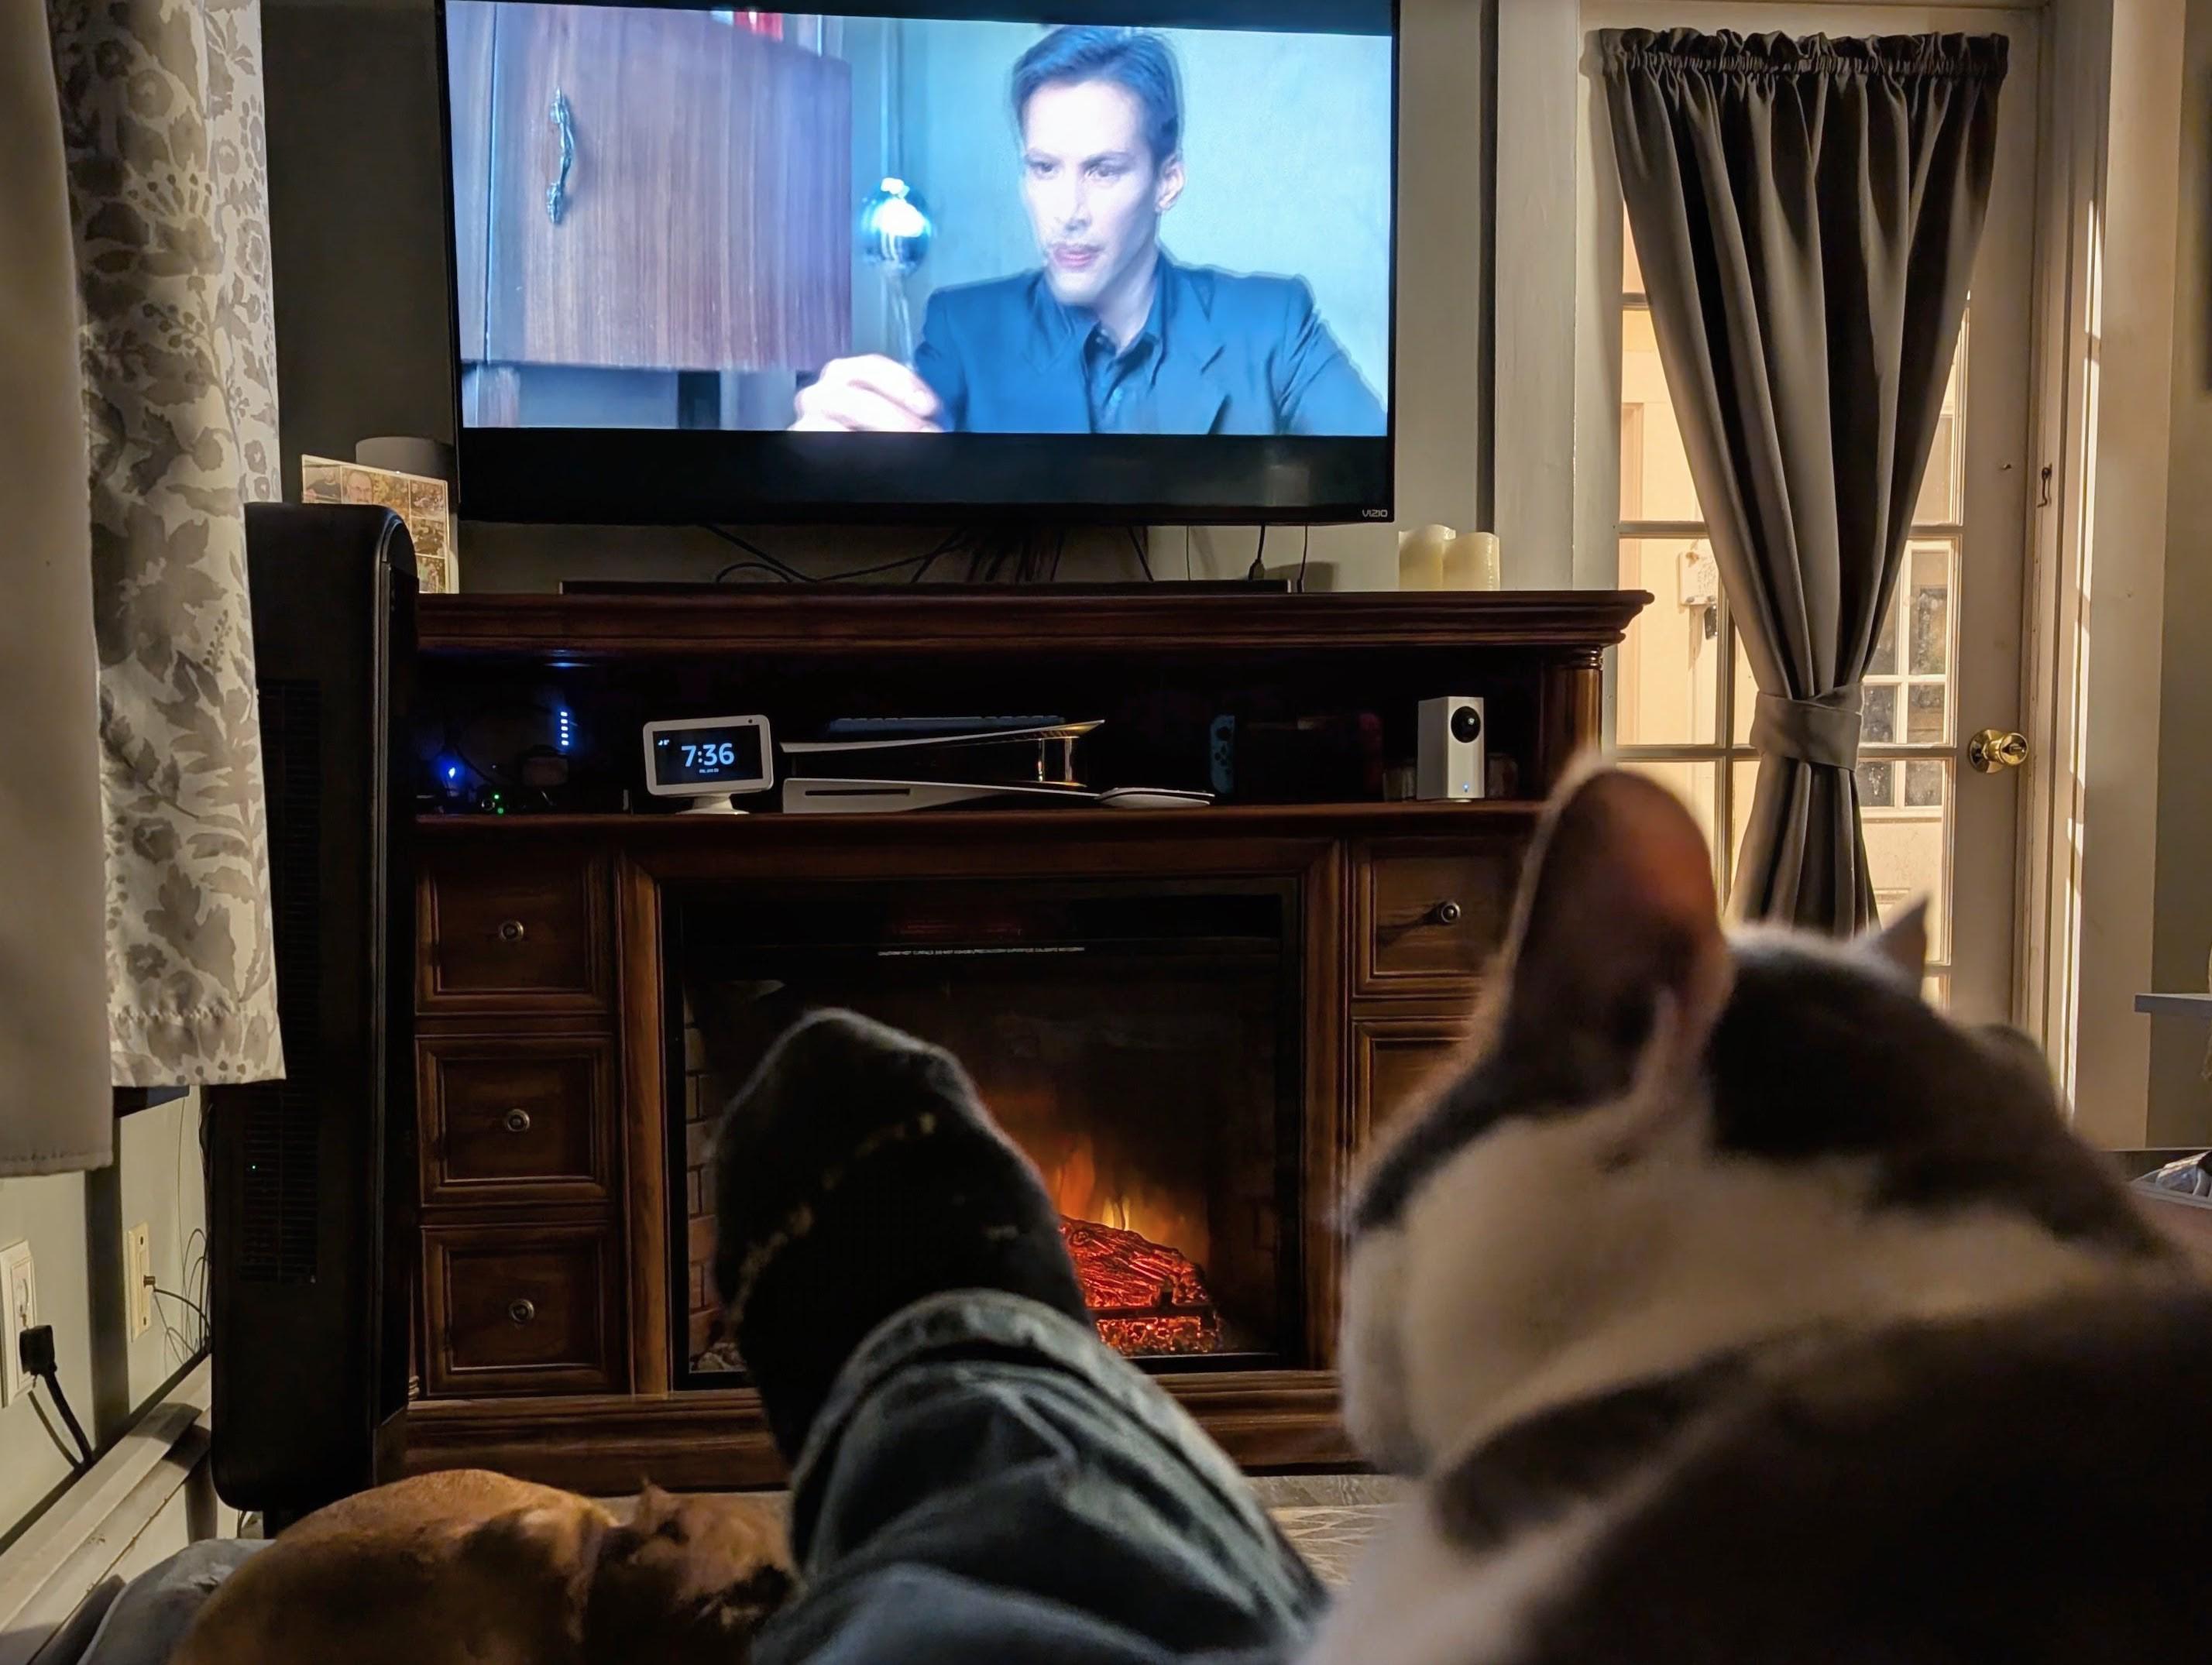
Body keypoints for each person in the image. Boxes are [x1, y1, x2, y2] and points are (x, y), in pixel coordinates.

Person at [794, 26, 1386, 438]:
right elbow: (899, 462)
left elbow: (1374, 472)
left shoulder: (1272, 325)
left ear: (1167, 181)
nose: (1068, 211)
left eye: (1103, 171)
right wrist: (834, 450)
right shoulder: (966, 329)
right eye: (1044, 168)